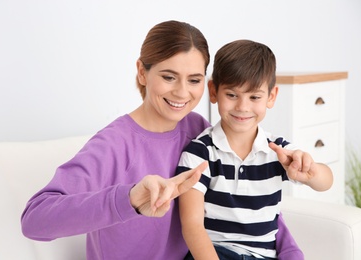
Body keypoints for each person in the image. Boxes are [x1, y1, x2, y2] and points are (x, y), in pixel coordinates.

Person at [21, 21, 301, 260]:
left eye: (194, 80)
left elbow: (249, 204)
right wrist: (129, 199)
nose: (181, 92)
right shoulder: (112, 145)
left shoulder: (199, 131)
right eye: (168, 77)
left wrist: (290, 252)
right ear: (143, 72)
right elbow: (34, 221)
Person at [177, 39, 333, 259]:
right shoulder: (199, 153)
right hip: (215, 253)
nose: (243, 107)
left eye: (254, 97)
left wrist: (311, 172)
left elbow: (326, 182)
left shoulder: (278, 151)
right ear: (213, 92)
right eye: (232, 95)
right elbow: (192, 226)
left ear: (271, 97)